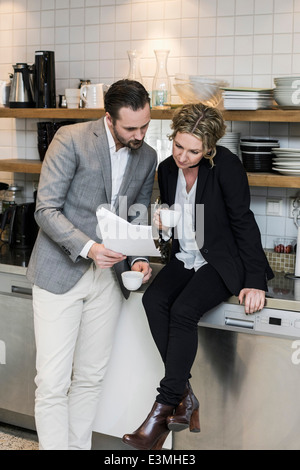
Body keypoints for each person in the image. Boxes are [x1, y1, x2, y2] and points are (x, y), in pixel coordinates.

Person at [122, 103, 274, 451]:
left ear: (209, 148)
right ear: (173, 137)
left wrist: (255, 280)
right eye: (178, 146)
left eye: (194, 151)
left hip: (220, 263)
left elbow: (243, 222)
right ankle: (185, 396)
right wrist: (159, 219)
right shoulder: (166, 170)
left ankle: (160, 415)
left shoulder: (227, 168)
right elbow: (178, 221)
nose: (183, 157)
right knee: (153, 301)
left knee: (184, 310)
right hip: (183, 257)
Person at [26, 79, 157, 450]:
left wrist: (139, 259)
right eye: (131, 128)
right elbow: (45, 209)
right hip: (60, 271)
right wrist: (89, 248)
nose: (139, 135)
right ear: (109, 118)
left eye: (145, 126)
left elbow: (137, 216)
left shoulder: (147, 156)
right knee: (52, 382)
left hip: (109, 280)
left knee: (90, 377)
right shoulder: (71, 139)